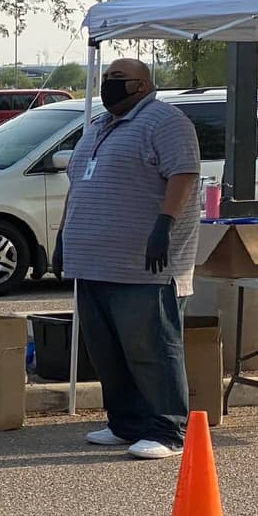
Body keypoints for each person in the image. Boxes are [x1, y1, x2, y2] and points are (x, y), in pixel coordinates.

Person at [54, 58, 201, 460]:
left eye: (118, 78)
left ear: (143, 85)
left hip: (142, 265)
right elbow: (77, 183)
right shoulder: (98, 126)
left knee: (150, 348)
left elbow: (183, 174)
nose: (108, 85)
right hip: (92, 262)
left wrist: (164, 225)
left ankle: (167, 428)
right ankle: (126, 423)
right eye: (106, 78)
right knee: (108, 351)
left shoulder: (165, 121)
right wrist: (63, 236)